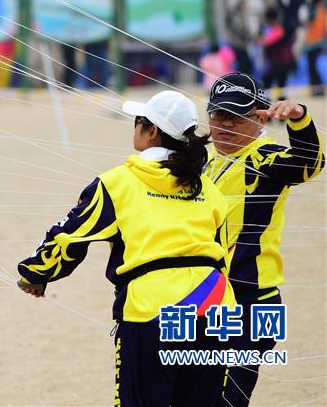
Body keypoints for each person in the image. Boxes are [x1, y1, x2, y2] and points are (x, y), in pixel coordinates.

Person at [17, 90, 235, 407]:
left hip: (152, 312)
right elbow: (222, 253)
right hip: (215, 310)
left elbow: (69, 237)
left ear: (151, 132)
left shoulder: (116, 183)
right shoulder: (210, 191)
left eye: (138, 122)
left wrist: (35, 274)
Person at [203, 73, 323, 406]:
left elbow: (309, 164)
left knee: (228, 397)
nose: (223, 124)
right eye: (217, 115)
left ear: (259, 119)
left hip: (252, 298)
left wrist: (298, 119)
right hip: (204, 297)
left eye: (234, 117)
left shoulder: (264, 157)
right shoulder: (202, 161)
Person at [260, 7, 296, 100]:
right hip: (282, 62)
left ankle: (270, 104)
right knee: (280, 85)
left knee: (270, 84)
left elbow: (266, 42)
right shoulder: (282, 29)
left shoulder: (272, 31)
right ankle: (280, 105)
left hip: (276, 62)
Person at [225, 0, 256, 75]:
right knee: (244, 65)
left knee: (245, 65)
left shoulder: (241, 16)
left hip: (241, 44)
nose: (247, 7)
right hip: (238, 44)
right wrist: (252, 36)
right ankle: (243, 81)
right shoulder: (237, 17)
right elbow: (240, 29)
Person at [303, 0, 325, 96]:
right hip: (320, 42)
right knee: (314, 66)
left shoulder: (314, 11)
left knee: (312, 67)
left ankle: (316, 89)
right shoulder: (323, 12)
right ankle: (319, 89)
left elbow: (308, 24)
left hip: (312, 44)